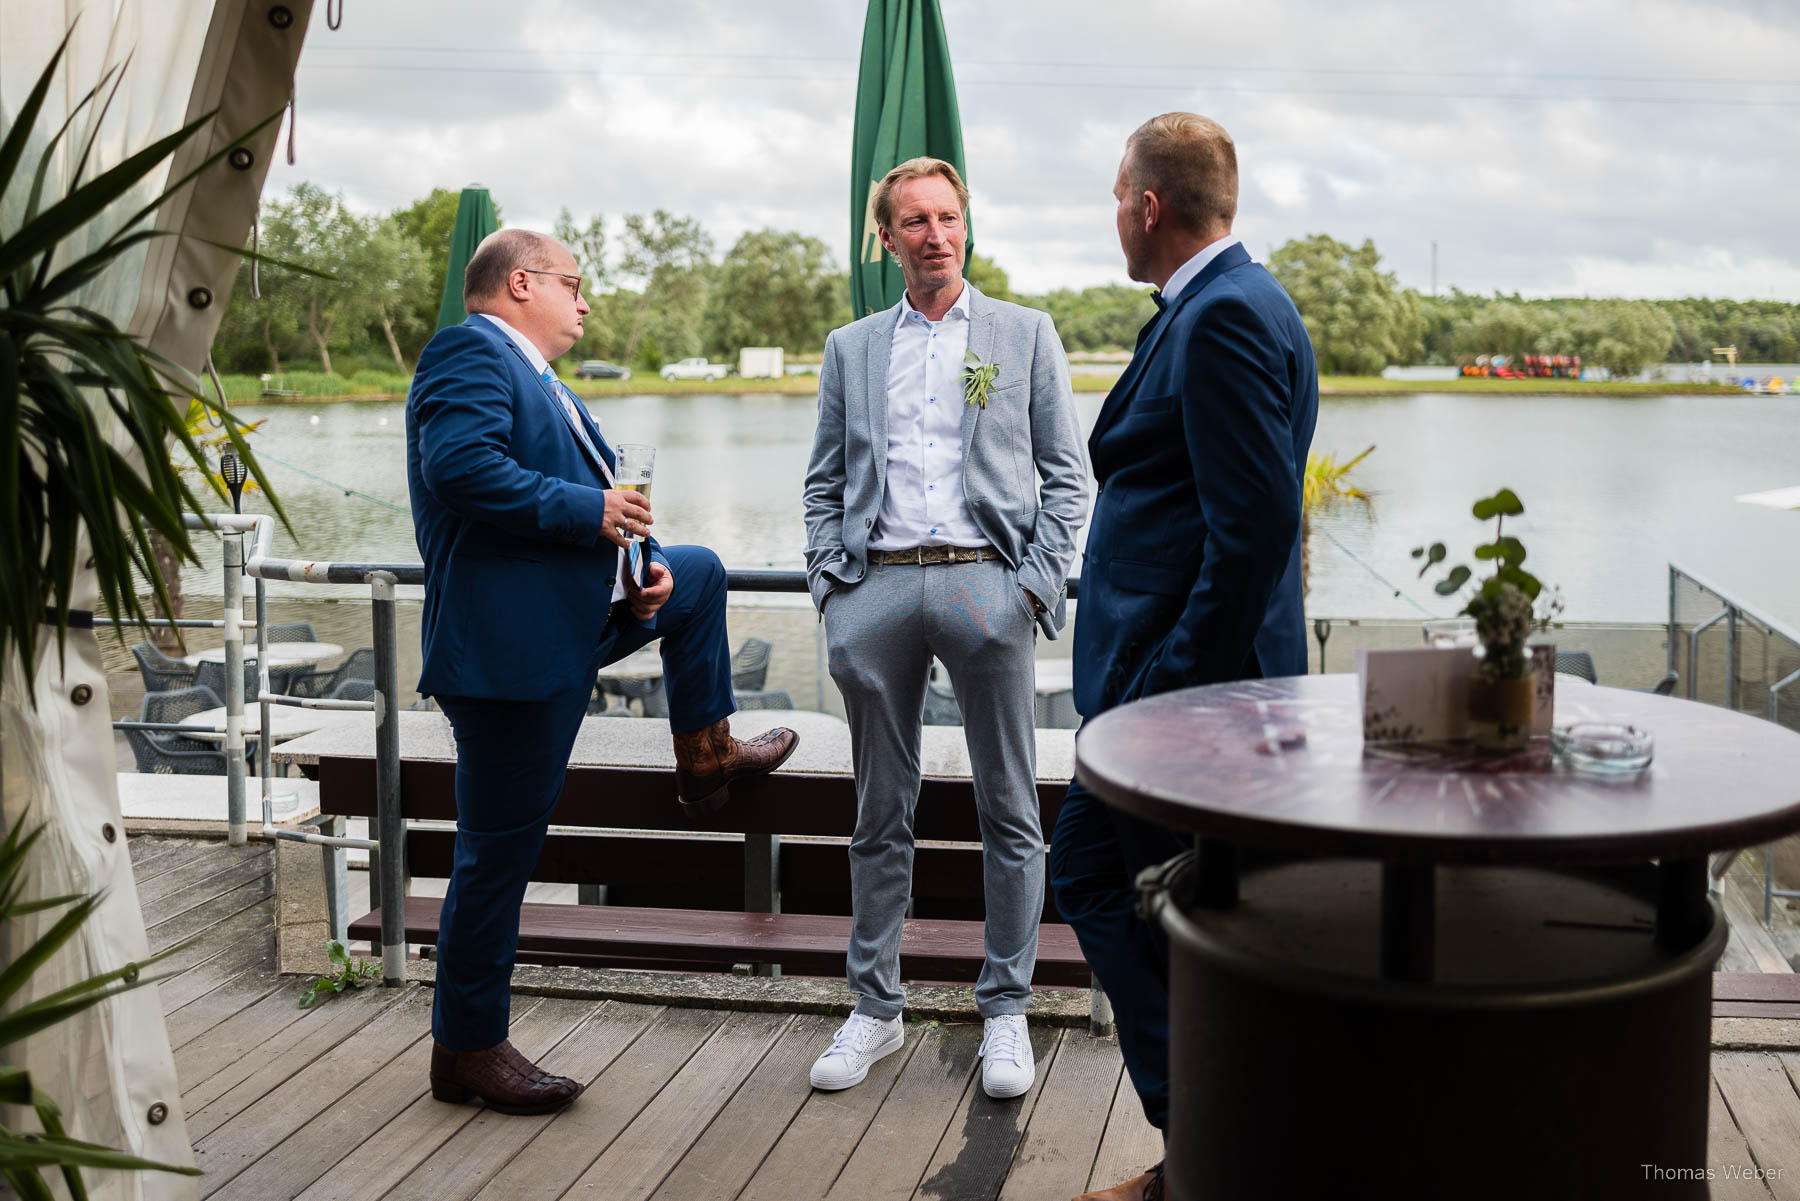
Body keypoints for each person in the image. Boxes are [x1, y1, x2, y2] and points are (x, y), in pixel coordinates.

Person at [405, 228, 798, 1114]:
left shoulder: (546, 382)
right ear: (518, 284)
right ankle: (466, 1048)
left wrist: (639, 574)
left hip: (566, 623)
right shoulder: (467, 352)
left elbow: (600, 513)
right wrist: (594, 510)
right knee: (497, 861)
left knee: (692, 572)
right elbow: (462, 469)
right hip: (507, 655)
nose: (584, 303)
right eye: (572, 284)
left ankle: (706, 753)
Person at [1058, 114, 1318, 1201]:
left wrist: (1163, 692)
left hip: (1187, 709)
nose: (1114, 216)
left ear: (1148, 206)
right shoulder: (1220, 304)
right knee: (1119, 888)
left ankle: (1218, 1152)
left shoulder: (1221, 319)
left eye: (1118, 198)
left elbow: (1253, 531)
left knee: (1170, 915)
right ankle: (1205, 1144)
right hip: (1166, 701)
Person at [802, 158, 1089, 1099]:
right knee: (879, 812)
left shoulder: (1023, 333)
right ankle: (874, 1009)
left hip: (985, 588)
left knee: (1010, 808)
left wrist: (1033, 592)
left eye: (949, 217)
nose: (936, 234)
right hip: (877, 586)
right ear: (886, 238)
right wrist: (831, 592)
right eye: (916, 221)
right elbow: (823, 482)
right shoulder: (850, 347)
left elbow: (1067, 477)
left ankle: (1006, 1009)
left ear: (967, 226)